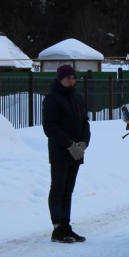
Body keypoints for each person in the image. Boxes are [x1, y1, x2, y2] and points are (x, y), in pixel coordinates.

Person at [42, 64, 91, 243]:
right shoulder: (52, 99)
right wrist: (69, 144)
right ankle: (57, 228)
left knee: (68, 191)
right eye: (67, 78)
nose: (71, 80)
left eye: (73, 77)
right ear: (60, 79)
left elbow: (85, 122)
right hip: (60, 152)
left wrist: (83, 142)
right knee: (58, 189)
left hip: (77, 152)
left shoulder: (77, 98)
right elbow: (50, 127)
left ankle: (66, 226)